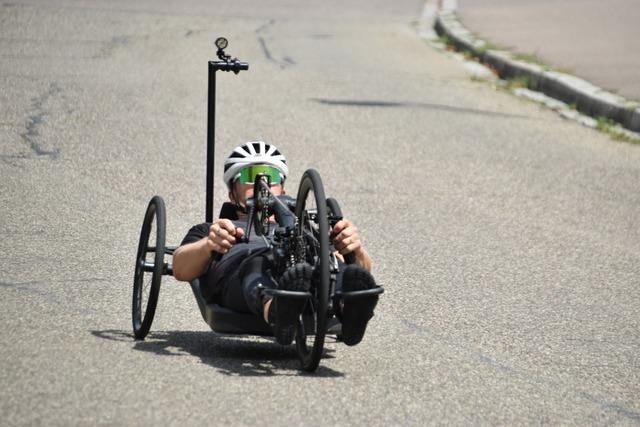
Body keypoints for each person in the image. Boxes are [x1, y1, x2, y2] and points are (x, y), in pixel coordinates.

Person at [173, 141, 379, 346]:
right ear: (232, 193)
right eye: (248, 175)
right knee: (258, 263)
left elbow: (359, 268)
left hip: (305, 271)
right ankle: (277, 309)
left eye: (271, 176)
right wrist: (210, 244)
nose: (261, 182)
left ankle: (350, 309)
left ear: (283, 188)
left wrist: (354, 247)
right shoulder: (214, 229)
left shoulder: (308, 228)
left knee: (334, 267)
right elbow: (180, 268)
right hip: (242, 274)